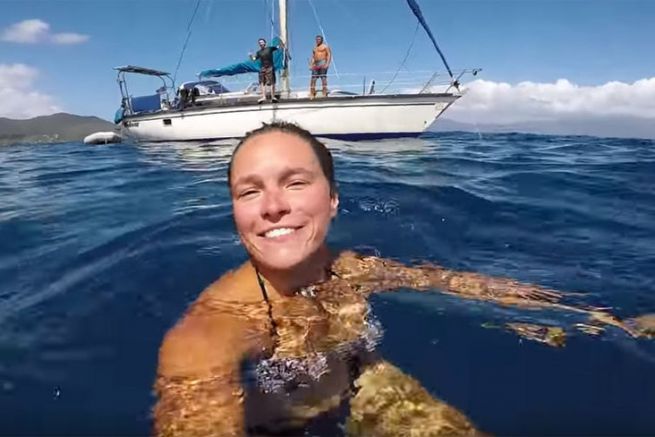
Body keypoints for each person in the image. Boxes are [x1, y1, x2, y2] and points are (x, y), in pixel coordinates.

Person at [153, 122, 653, 436]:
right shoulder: (209, 332)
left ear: (333, 200)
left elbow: (458, 285)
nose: (273, 206)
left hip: (365, 380)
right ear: (234, 211)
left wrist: (600, 319)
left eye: (296, 182)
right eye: (249, 191)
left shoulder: (353, 268)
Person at [250, 38, 283, 103]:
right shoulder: (258, 52)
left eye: (262, 42)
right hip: (262, 68)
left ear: (265, 43)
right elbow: (254, 59)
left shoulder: (269, 48)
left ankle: (273, 96)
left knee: (272, 82)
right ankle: (263, 97)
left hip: (270, 67)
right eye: (259, 42)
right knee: (262, 82)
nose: (261, 43)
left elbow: (277, 47)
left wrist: (281, 44)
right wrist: (250, 56)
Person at [309, 35, 331, 99]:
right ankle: (312, 93)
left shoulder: (325, 46)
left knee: (323, 77)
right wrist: (311, 64)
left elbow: (329, 54)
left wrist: (327, 63)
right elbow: (313, 57)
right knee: (313, 78)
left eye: (319, 39)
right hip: (316, 63)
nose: (317, 40)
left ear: (322, 40)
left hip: (323, 62)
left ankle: (324, 92)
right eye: (317, 39)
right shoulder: (314, 48)